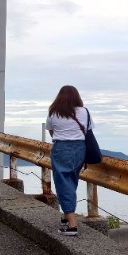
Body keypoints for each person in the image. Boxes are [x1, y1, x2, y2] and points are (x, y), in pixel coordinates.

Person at [45, 85, 95, 236]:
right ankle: (66, 216)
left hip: (61, 148)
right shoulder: (84, 112)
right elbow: (88, 130)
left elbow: (51, 131)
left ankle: (72, 225)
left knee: (62, 183)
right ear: (77, 96)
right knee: (71, 181)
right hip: (80, 149)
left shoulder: (54, 112)